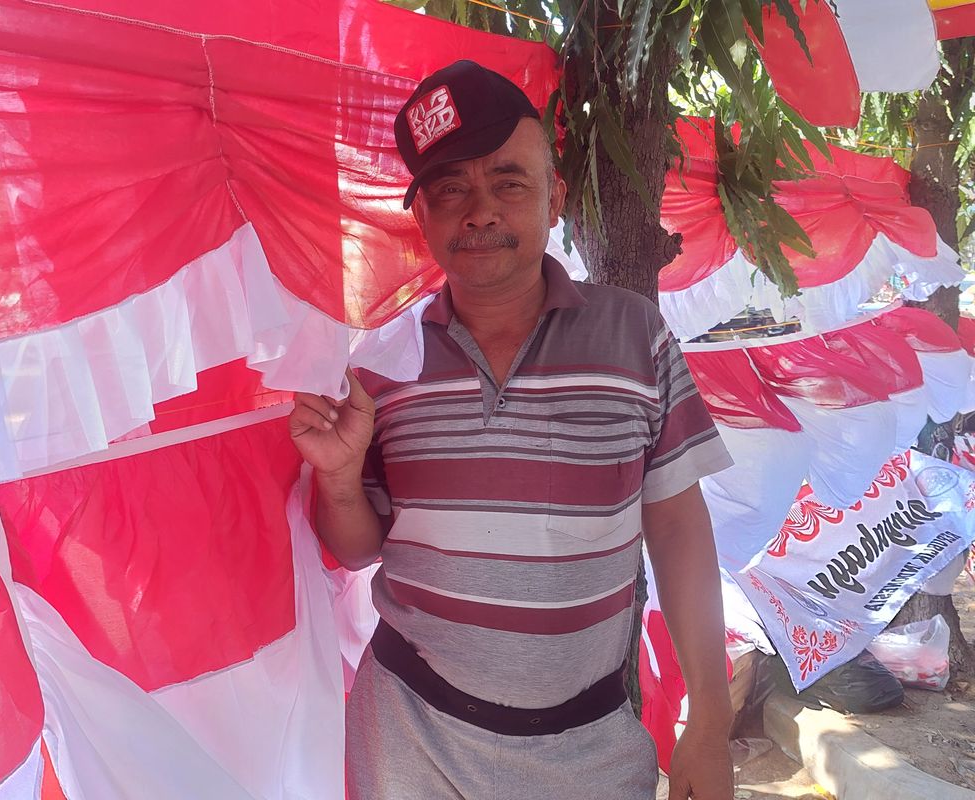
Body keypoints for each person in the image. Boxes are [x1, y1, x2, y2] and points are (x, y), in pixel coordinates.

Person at [289, 60, 735, 800]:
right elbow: (360, 546)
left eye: (509, 182)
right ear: (422, 217)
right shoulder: (382, 362)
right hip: (408, 737)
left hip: (589, 747)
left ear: (554, 198)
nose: (480, 212)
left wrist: (710, 720)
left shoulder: (636, 337)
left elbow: (678, 525)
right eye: (450, 190)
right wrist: (338, 477)